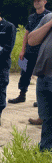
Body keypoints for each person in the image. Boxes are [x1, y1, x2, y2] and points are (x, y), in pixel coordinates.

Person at [8, 0, 50, 104]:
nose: (36, 2)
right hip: (29, 50)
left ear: (45, 2)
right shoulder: (31, 17)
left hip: (43, 51)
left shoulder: (49, 16)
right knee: (24, 72)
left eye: (39, 0)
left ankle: (41, 99)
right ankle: (22, 95)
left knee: (43, 75)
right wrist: (23, 50)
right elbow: (26, 34)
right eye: (35, 0)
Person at [28, 12, 52, 151]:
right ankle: (45, 149)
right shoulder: (48, 17)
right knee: (47, 118)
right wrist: (49, 24)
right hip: (44, 75)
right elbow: (32, 40)